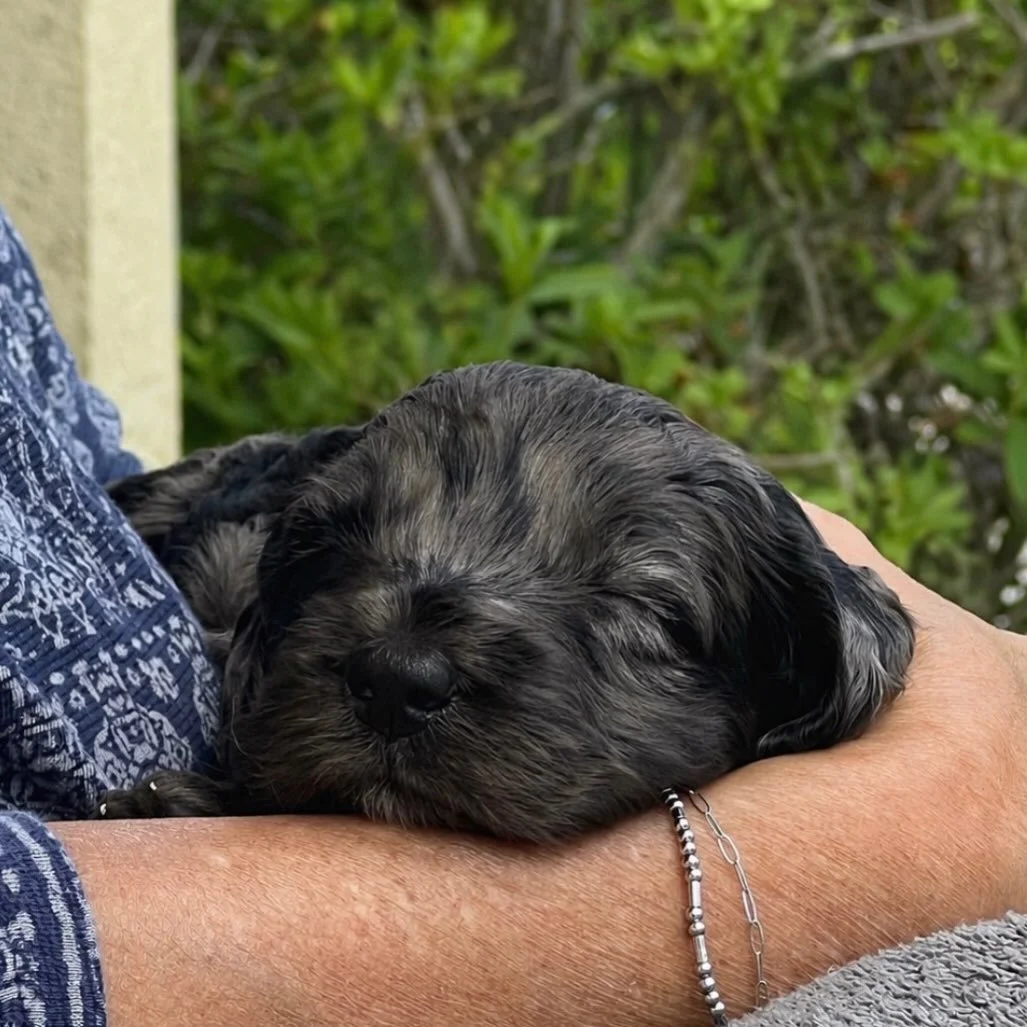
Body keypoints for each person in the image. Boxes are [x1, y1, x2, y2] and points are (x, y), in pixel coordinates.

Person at [0, 200, 1023, 1027]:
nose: (403, 659)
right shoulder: (230, 599)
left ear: (799, 698)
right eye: (352, 545)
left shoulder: (825, 652)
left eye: (633, 605)